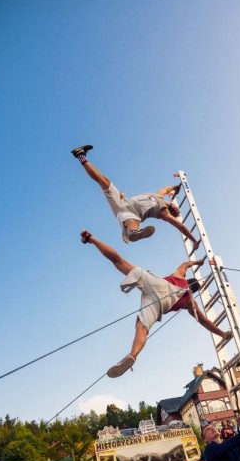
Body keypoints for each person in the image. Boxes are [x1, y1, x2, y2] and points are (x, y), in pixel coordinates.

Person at [80, 231, 231, 377]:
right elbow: (204, 322)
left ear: (188, 280)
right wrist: (223, 334)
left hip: (157, 286)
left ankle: (90, 238)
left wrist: (199, 262)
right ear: (196, 291)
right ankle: (133, 354)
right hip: (159, 305)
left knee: (120, 261)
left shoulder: (180, 276)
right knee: (142, 329)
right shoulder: (190, 303)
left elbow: (185, 264)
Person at [71, 145, 199, 252]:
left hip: (129, 213)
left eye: (175, 212)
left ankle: (133, 233)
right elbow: (166, 188)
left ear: (171, 212)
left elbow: (180, 226)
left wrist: (193, 240)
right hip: (123, 201)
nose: (175, 209)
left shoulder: (164, 212)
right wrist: (176, 187)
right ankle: (81, 155)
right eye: (177, 208)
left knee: (133, 220)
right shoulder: (160, 195)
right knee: (104, 181)